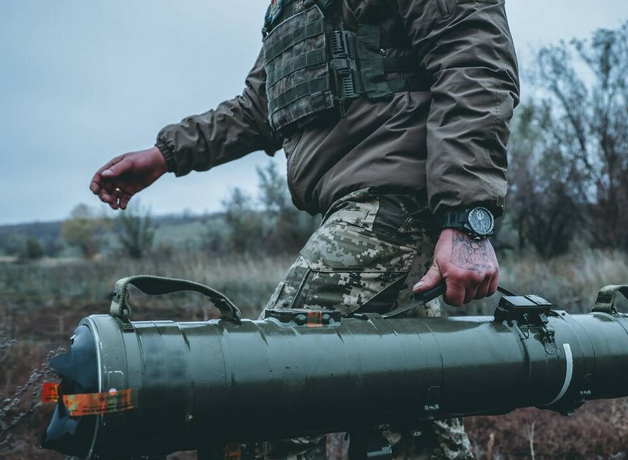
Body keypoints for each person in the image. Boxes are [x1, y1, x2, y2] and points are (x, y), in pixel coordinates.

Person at [89, 0, 519, 458]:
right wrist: (166, 154)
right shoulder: (289, 8)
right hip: (359, 209)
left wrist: (467, 219)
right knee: (411, 402)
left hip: (391, 208)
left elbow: (474, 57)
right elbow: (261, 106)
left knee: (267, 377)